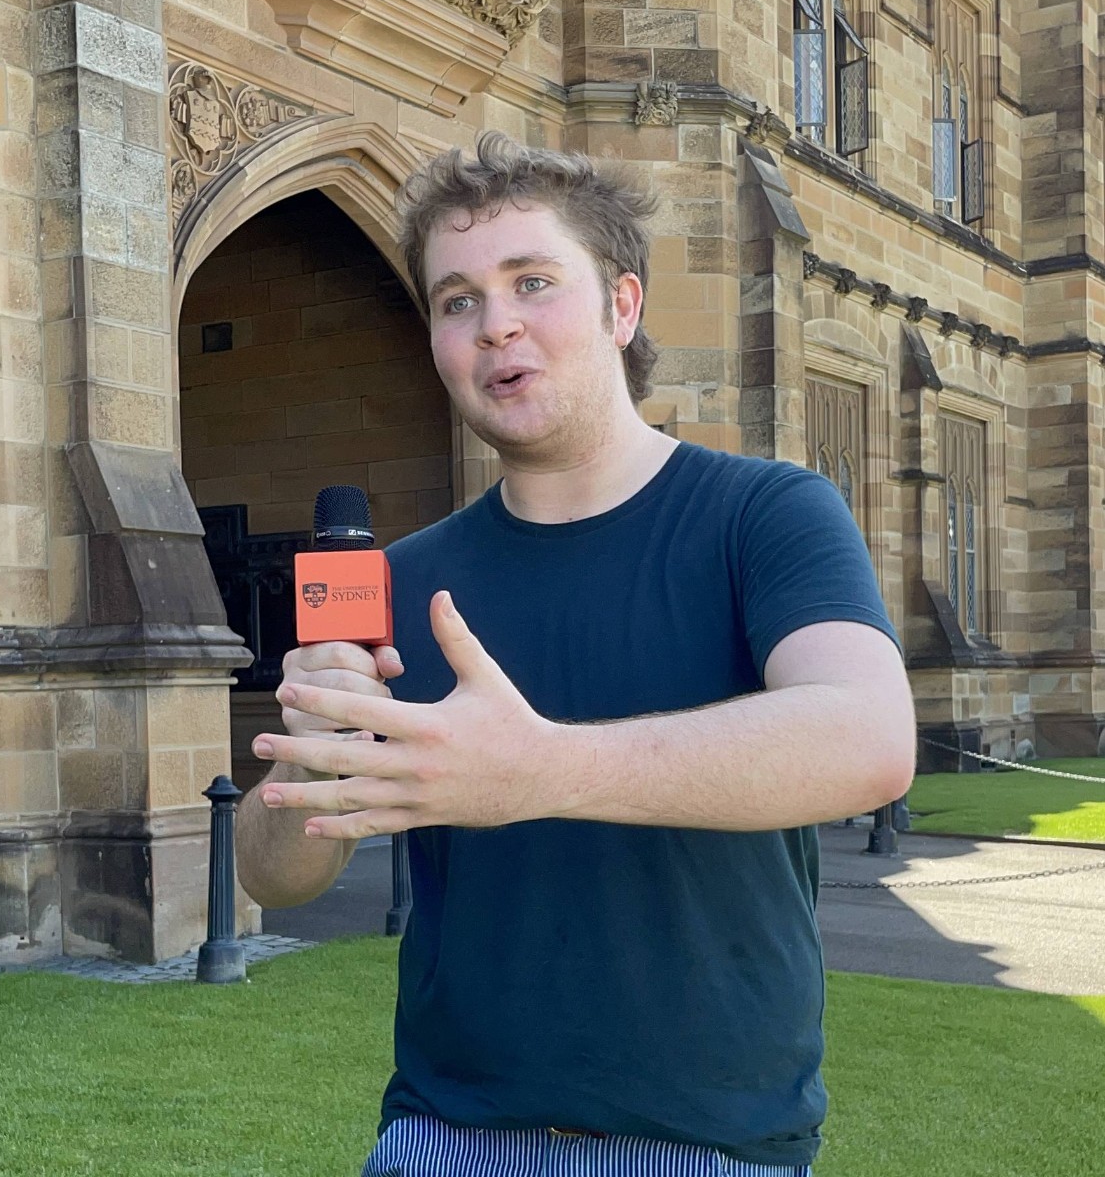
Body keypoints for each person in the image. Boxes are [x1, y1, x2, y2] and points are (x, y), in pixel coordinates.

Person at [235, 132, 915, 1177]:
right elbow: (275, 877)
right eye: (455, 300)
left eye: (532, 281)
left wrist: (541, 769)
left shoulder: (763, 515)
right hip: (444, 1139)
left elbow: (866, 739)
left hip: (708, 1148)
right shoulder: (399, 581)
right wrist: (310, 749)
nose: (494, 322)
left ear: (621, 305)